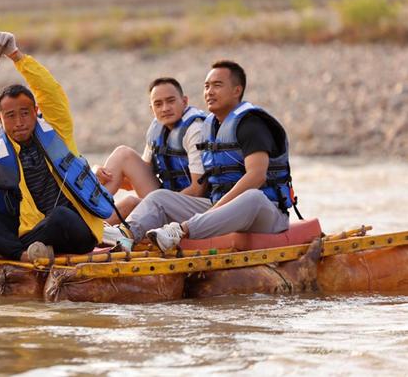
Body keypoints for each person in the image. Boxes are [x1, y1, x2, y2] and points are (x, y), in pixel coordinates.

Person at [0, 31, 113, 263]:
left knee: (60, 215)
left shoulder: (57, 129)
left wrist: (15, 55)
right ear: (0, 119)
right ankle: (21, 254)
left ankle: (2, 248)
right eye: (11, 116)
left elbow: (50, 91)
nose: (19, 122)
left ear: (35, 111)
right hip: (30, 232)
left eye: (25, 113)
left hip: (74, 229)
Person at [116, 60, 297, 252]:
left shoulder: (252, 124)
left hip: (266, 213)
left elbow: (257, 176)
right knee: (159, 198)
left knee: (253, 197)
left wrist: (216, 209)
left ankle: (179, 231)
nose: (209, 92)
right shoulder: (209, 126)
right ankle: (125, 235)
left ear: (236, 90)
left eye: (217, 85)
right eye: (206, 86)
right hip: (218, 208)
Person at [96, 78, 208, 226]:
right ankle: (90, 211)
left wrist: (153, 204)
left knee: (131, 203)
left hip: (193, 205)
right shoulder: (157, 129)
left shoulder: (195, 129)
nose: (165, 108)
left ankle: (91, 231)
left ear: (184, 101)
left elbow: (197, 190)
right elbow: (134, 181)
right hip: (165, 198)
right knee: (123, 154)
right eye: (158, 104)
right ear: (152, 109)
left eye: (171, 101)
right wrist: (100, 175)